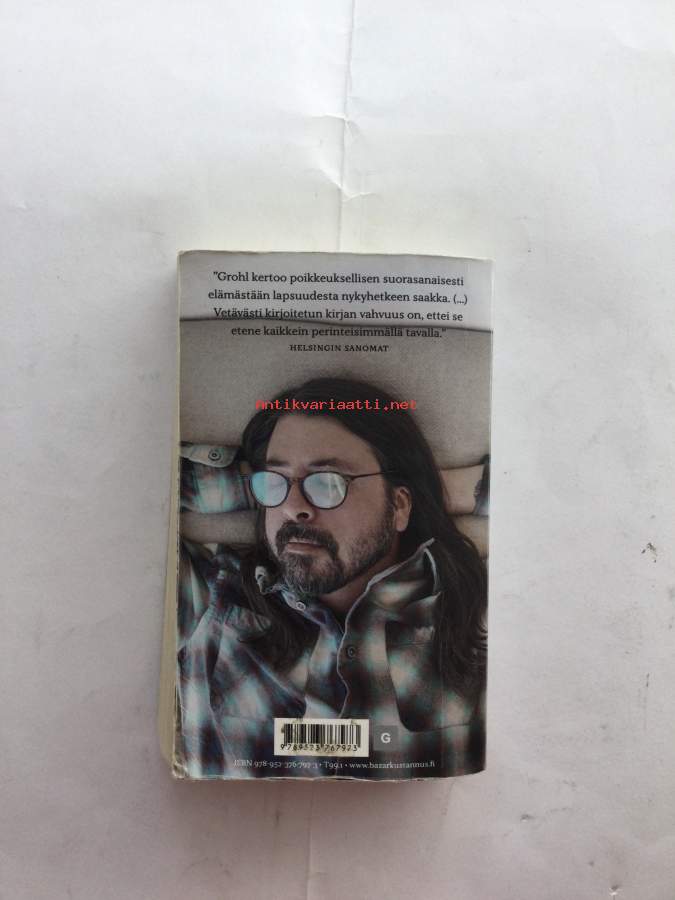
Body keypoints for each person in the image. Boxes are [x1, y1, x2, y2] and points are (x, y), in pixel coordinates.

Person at [177, 377, 488, 779]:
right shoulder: (212, 599)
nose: (292, 509)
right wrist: (257, 486)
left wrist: (436, 488)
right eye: (274, 481)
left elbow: (540, 496)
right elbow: (129, 486)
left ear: (399, 505)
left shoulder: (481, 608)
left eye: (327, 481)